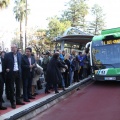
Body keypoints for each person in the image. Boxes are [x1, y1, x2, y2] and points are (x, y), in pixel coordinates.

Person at [4, 44, 25, 109]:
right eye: (11, 48)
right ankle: (13, 102)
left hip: (18, 72)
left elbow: (21, 64)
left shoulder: (19, 55)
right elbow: (4, 64)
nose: (12, 49)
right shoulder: (7, 55)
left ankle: (18, 100)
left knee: (18, 87)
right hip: (11, 73)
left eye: (14, 47)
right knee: (11, 88)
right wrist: (6, 69)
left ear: (16, 48)